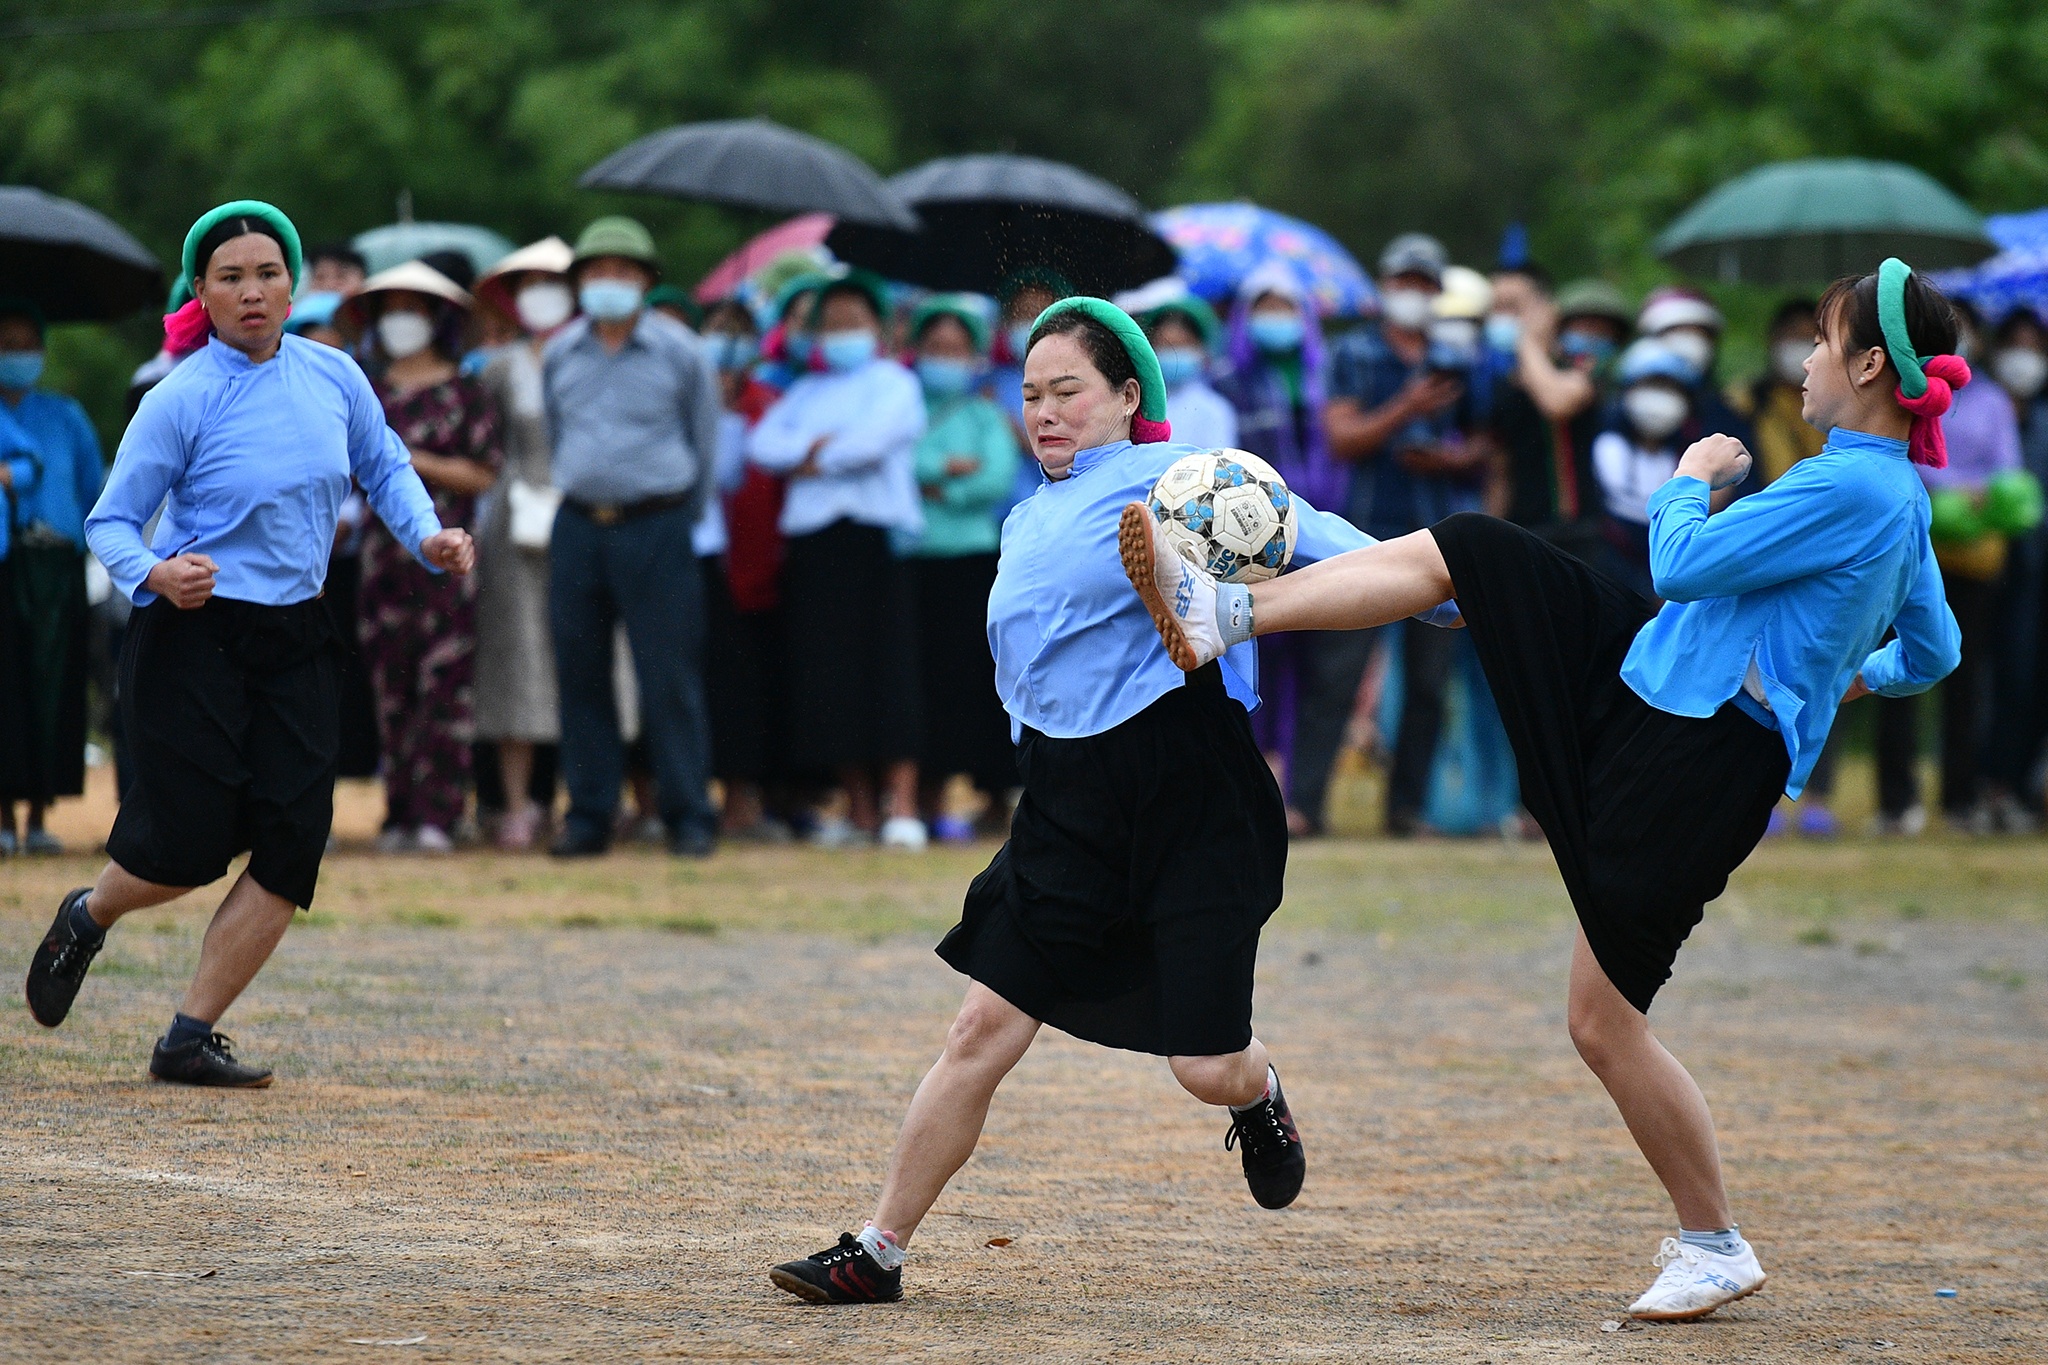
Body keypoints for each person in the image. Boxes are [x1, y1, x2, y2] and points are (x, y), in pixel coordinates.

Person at [1127, 258, 1964, 1322]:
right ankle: (1227, 613)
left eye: (1817, 338)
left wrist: (1689, 477)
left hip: (1692, 756)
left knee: (1601, 1024)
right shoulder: (1892, 493)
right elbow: (1930, 650)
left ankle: (1713, 1243)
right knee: (1471, 550)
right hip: (1654, 687)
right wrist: (1850, 676)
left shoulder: (1847, 482)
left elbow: (1683, 565)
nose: (1801, 358)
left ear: (1868, 365)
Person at [767, 298, 1451, 1304]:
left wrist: (1448, 589)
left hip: (1189, 789)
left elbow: (1329, 543)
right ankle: (878, 1250)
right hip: (1067, 799)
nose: (1043, 412)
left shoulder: (1184, 480)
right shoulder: (1024, 511)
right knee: (976, 1031)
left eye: (1067, 392)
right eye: (1030, 394)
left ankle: (1256, 1094)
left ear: (1128, 397)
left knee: (1201, 1066)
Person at [27, 200, 472, 1086]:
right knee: (186, 847)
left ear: (293, 282)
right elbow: (108, 523)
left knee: (292, 840)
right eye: (230, 277)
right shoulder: (178, 397)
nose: (253, 291)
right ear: (203, 291)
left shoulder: (334, 375)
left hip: (298, 636)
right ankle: (89, 913)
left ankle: (189, 1034)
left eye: (268, 272)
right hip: (196, 636)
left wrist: (427, 536)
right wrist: (156, 573)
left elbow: (384, 464)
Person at [543, 216, 722, 859]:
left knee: (668, 674)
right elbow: (557, 436)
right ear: (578, 283)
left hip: (659, 522)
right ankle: (589, 815)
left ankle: (689, 814)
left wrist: (679, 515)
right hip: (579, 523)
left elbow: (704, 442)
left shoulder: (681, 352)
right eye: (595, 272)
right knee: (580, 671)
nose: (608, 283)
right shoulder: (561, 352)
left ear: (647, 281)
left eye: (623, 272)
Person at [1306, 233, 1484, 836]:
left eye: (1423, 284)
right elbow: (1342, 438)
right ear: (1384, 287)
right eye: (1402, 282)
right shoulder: (1354, 352)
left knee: (1430, 681)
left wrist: (1451, 459)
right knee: (1339, 671)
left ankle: (1405, 810)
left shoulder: (1458, 356)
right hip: (1366, 533)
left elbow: (1485, 439)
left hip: (1438, 533)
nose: (1412, 294)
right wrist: (1405, 409)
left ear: (1438, 292)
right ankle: (1304, 805)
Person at [747, 271, 928, 848]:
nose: (843, 330)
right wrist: (816, 450)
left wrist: (813, 457)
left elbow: (875, 442)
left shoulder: (895, 383)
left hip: (875, 540)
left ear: (877, 327)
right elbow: (762, 446)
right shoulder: (805, 391)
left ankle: (901, 805)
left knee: (890, 666)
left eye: (855, 319)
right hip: (816, 547)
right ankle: (859, 810)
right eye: (832, 321)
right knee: (830, 673)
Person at [339, 262, 502, 853]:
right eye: (392, 308)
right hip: (383, 564)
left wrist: (407, 461)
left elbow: (483, 473)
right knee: (391, 685)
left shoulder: (466, 393)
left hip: (448, 561)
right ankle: (399, 810)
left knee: (446, 684)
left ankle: (440, 813)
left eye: (415, 307)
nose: (402, 320)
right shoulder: (367, 392)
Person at [1874, 300, 2021, 835]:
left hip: (1974, 556)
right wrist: (1960, 490)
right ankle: (1895, 801)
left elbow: (2009, 468)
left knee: (1964, 676)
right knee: (1894, 670)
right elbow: (1904, 455)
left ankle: (1959, 797)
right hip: (1910, 551)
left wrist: (1977, 495)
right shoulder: (1907, 392)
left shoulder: (1993, 400)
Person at [1215, 262, 1344, 814]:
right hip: (1250, 535)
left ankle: (1295, 791)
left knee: (1311, 665)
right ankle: (1253, 783)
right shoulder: (1228, 381)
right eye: (1265, 308)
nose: (1277, 319)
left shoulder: (1325, 376)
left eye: (1287, 308)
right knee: (1255, 651)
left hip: (1321, 528)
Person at [905, 295, 1023, 840]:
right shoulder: (902, 406)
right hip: (912, 562)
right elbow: (894, 463)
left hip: (974, 560)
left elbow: (994, 481)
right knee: (920, 681)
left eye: (956, 348)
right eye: (935, 347)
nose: (945, 357)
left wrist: (932, 486)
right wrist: (943, 470)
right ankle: (922, 798)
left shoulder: (984, 414)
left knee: (980, 681)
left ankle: (994, 794)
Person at [473, 237, 576, 850]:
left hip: (586, 510)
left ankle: (574, 798)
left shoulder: (595, 360)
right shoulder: (497, 367)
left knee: (583, 656)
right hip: (515, 520)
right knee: (517, 653)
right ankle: (514, 803)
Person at [1732, 299, 1841, 836]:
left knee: (1826, 667)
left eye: (1813, 338)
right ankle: (1762, 791)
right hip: (1766, 550)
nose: (1801, 351)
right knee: (1761, 674)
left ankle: (1818, 792)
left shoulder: (1841, 413)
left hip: (1825, 554)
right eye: (1793, 335)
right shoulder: (1746, 402)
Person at [0, 300, 104, 856]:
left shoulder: (66, 416)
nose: (17, 354)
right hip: (4, 564)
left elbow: (95, 490)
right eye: (6, 343)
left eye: (26, 343)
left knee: (53, 687)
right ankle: (2, 816)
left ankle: (40, 814)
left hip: (58, 569)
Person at [697, 297, 791, 841]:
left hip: (757, 566)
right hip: (701, 559)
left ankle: (742, 798)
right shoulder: (688, 395)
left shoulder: (772, 402)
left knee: (745, 688)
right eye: (716, 331)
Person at [1984, 308, 2048, 829]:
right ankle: (1990, 785)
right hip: (1989, 563)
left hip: (2036, 568)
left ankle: (2024, 785)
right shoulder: (1976, 404)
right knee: (1996, 676)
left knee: (2032, 677)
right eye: (2015, 342)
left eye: (2035, 344)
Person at [1593, 339, 1710, 601]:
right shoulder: (1605, 443)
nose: (1659, 397)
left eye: (1670, 388)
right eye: (1651, 385)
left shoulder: (1688, 454)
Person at [1140, 294, 1238, 450]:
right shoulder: (1134, 405)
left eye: (1183, 345)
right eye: (1166, 345)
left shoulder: (1215, 411)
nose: (1174, 353)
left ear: (1204, 351)